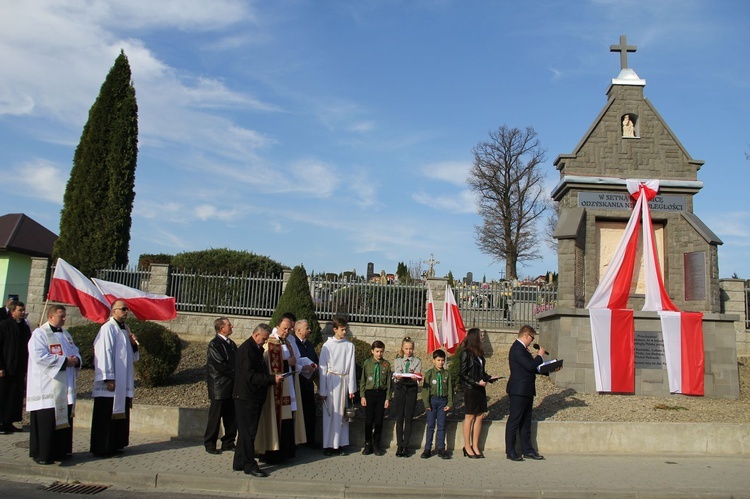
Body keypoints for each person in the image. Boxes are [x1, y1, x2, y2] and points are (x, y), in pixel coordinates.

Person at [26, 305, 81, 464]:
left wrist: (76, 360)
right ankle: (44, 454)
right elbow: (39, 357)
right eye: (61, 316)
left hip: (64, 387)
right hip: (48, 386)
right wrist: (65, 362)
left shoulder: (66, 334)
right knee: (47, 422)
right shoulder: (39, 334)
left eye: (64, 316)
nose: (64, 319)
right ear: (50, 317)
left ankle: (61, 451)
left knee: (62, 421)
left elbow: (75, 351)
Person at [90, 300, 139, 457]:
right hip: (110, 383)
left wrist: (133, 344)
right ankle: (103, 448)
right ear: (113, 311)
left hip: (122, 380)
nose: (126, 311)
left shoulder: (125, 329)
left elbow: (131, 357)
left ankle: (117, 444)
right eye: (123, 309)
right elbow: (104, 353)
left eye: (127, 309)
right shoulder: (107, 328)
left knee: (119, 414)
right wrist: (108, 378)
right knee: (105, 415)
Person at [233, 324, 283, 477]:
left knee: (245, 432)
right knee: (249, 432)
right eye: (263, 339)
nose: (264, 342)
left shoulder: (254, 348)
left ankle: (239, 461)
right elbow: (251, 376)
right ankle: (250, 464)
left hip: (250, 396)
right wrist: (271, 379)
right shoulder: (247, 350)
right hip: (247, 397)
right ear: (256, 336)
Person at [256, 316, 306, 463]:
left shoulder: (289, 341)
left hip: (288, 383)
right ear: (277, 326)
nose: (287, 331)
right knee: (276, 418)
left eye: (289, 328)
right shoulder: (269, 342)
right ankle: (272, 453)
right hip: (275, 388)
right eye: (284, 328)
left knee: (288, 417)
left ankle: (286, 451)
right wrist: (286, 362)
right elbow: (268, 363)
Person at [505, 324, 549, 461]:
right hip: (518, 390)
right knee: (515, 420)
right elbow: (530, 365)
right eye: (532, 337)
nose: (532, 340)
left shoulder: (524, 350)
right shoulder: (517, 349)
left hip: (527, 389)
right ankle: (510, 451)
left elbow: (532, 368)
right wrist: (540, 356)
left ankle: (528, 450)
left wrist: (550, 368)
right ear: (525, 335)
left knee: (526, 421)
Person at [318, 316, 356, 456]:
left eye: (345, 329)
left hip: (343, 381)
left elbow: (351, 367)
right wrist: (323, 390)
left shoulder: (349, 346)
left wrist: (351, 388)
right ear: (335, 330)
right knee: (330, 415)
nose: (344, 332)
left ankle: (339, 444)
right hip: (331, 381)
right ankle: (328, 445)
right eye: (342, 330)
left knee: (341, 415)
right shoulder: (327, 346)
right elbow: (322, 369)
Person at [459, 328, 496, 458]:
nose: (482, 337)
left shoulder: (479, 354)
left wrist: (489, 377)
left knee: (480, 416)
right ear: (474, 337)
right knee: (470, 416)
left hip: (480, 388)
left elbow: (481, 372)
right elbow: (463, 374)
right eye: (480, 335)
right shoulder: (465, 353)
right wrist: (476, 382)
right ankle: (467, 446)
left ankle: (475, 445)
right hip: (471, 388)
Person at [204, 317, 237, 454]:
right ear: (222, 328)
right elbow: (220, 365)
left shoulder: (232, 344)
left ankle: (228, 442)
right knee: (215, 417)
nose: (232, 327)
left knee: (231, 416)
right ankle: (210, 444)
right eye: (229, 325)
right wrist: (238, 374)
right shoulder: (215, 344)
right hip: (219, 386)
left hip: (232, 386)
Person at [0, 301, 31, 433]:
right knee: (3, 396)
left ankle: (9, 422)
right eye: (20, 310)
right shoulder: (4, 326)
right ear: (12, 312)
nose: (23, 312)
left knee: (15, 397)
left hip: (19, 368)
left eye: (23, 310)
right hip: (6, 367)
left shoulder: (24, 327)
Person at [359, 340, 391, 456]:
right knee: (369, 420)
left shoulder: (386, 365)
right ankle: (368, 444)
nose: (379, 354)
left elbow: (388, 383)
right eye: (377, 351)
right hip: (370, 394)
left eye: (381, 352)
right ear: (372, 351)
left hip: (381, 394)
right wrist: (362, 396)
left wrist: (387, 398)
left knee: (379, 420)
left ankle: (377, 444)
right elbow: (363, 380)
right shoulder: (367, 363)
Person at [391, 336, 422, 457]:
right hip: (400, 388)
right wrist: (399, 376)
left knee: (408, 418)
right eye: (406, 349)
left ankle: (406, 446)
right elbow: (398, 373)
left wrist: (415, 377)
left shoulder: (417, 361)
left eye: (410, 349)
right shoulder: (398, 360)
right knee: (400, 418)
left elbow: (418, 374)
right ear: (402, 349)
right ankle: (399, 445)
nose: (408, 351)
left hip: (411, 389)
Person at [421, 348, 452, 459]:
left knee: (441, 426)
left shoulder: (447, 374)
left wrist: (450, 402)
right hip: (432, 402)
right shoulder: (429, 374)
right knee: (430, 426)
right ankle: (428, 449)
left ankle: (441, 449)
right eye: (438, 360)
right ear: (433, 361)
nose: (440, 362)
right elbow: (425, 390)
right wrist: (426, 404)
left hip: (442, 402)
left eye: (442, 360)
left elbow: (449, 390)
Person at [292, 319, 319, 448]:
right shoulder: (293, 344)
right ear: (298, 330)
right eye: (307, 328)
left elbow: (315, 360)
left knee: (309, 412)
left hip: (308, 384)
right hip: (296, 384)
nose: (309, 330)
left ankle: (310, 440)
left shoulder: (309, 345)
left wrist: (314, 366)